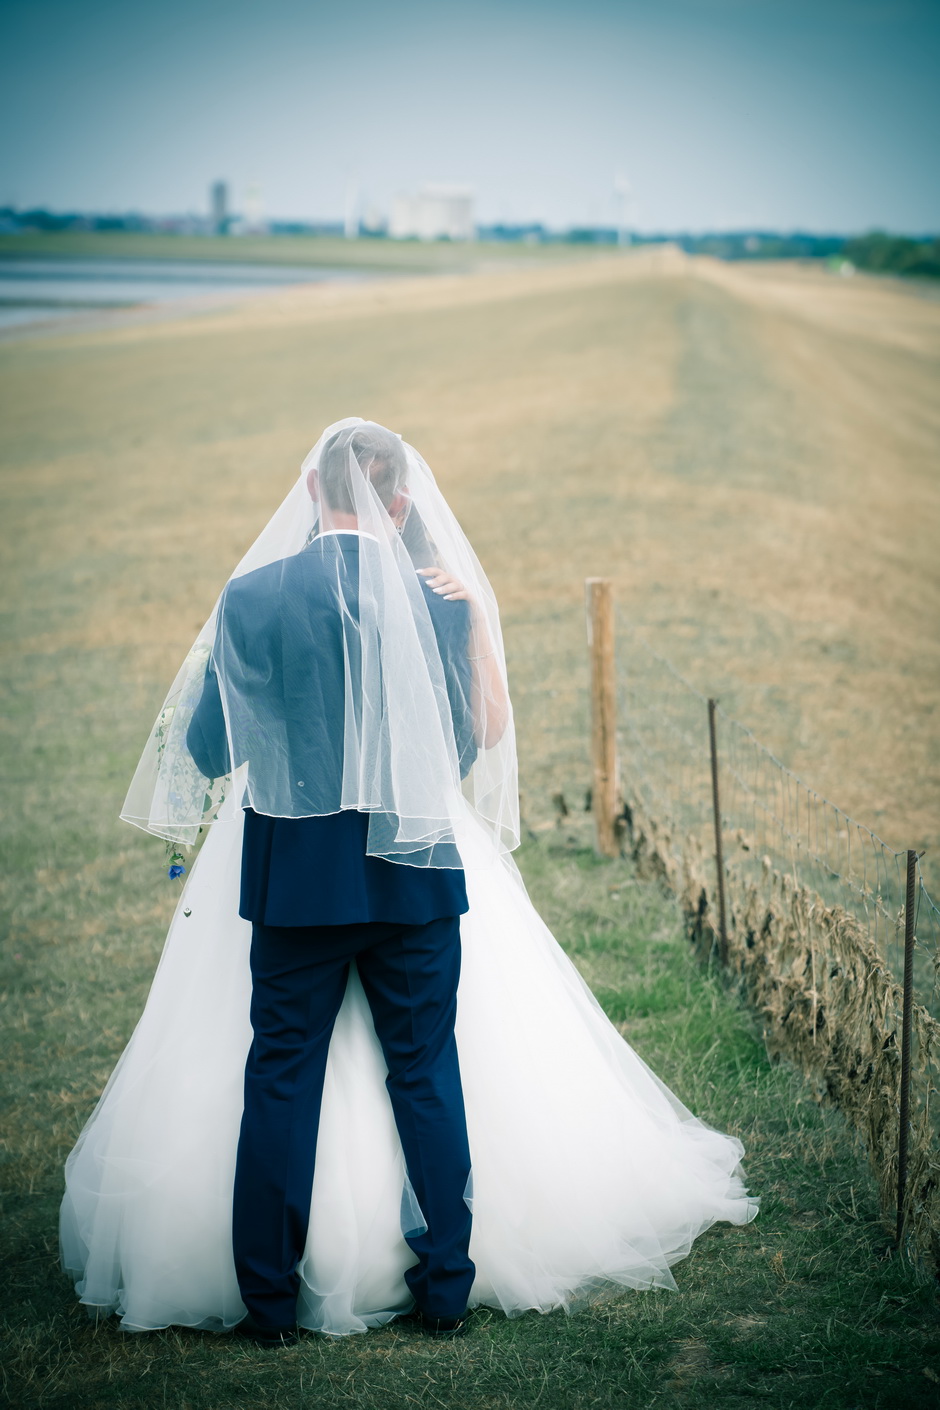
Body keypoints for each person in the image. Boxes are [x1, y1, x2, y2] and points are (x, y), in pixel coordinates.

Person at [60, 419, 757, 1343]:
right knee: (425, 1073)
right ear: (399, 503)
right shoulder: (436, 603)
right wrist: (461, 626)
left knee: (280, 1076)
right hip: (414, 875)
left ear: (313, 488)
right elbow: (464, 749)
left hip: (298, 886)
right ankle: (444, 1291)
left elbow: (207, 748)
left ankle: (266, 1303)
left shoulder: (252, 597)